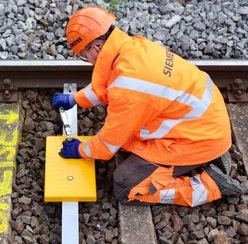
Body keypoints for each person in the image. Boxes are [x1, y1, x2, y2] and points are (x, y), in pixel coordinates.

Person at [51, 6, 244, 207]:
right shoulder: (132, 47)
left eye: (84, 55)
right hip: (204, 123)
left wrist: (82, 150)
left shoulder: (129, 88)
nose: (87, 61)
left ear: (97, 48)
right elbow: (106, 84)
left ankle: (212, 186)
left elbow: (109, 143)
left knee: (126, 186)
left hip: (199, 139)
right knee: (128, 144)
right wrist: (75, 99)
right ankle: (211, 155)